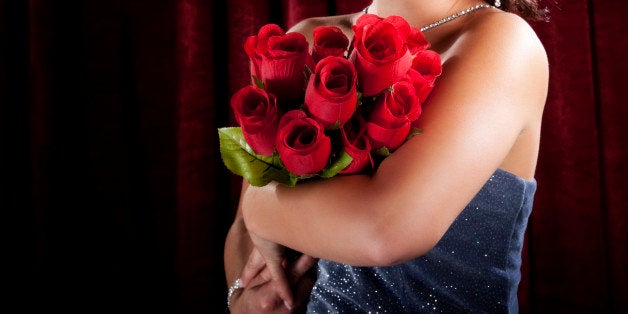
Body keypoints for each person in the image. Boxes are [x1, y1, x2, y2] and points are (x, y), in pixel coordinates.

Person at [224, 0, 549, 312]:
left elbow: (383, 231)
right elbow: (242, 226)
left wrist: (259, 207)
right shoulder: (307, 40)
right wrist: (242, 297)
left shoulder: (504, 42)